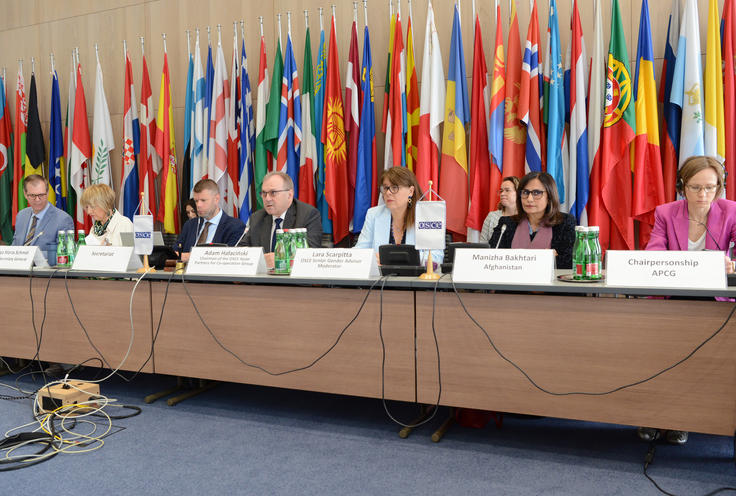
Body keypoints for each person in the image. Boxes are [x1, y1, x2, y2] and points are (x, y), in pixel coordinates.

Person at [639, 155, 736, 446]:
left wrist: (730, 263)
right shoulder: (666, 212)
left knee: (698, 361)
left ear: (719, 187)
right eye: (695, 187)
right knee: (659, 356)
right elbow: (654, 254)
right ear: (682, 187)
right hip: (672, 295)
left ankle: (684, 420)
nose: (703, 194)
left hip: (715, 300)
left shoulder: (731, 211)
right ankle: (655, 416)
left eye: (710, 187)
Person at [488, 171, 576, 269]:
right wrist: (544, 258)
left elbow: (571, 262)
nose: (529, 199)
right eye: (525, 192)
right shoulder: (506, 224)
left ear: (549, 197)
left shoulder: (564, 222)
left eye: (536, 193)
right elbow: (492, 258)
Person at [355, 167, 443, 263]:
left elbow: (436, 258)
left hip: (415, 273)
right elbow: (359, 252)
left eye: (394, 188)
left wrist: (394, 258)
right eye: (385, 188)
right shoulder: (373, 214)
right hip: (380, 273)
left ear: (411, 191)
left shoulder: (427, 216)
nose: (388, 193)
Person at [237, 171, 322, 268]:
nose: (267, 199)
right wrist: (262, 260)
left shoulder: (307, 215)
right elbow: (242, 252)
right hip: (263, 276)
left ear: (289, 195)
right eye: (264, 193)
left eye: (273, 193)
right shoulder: (257, 218)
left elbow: (310, 254)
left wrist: (278, 258)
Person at [175, 179, 246, 262]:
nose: (198, 205)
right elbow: (175, 253)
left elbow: (228, 258)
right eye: (196, 201)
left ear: (216, 199)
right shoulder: (190, 225)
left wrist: (190, 256)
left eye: (203, 200)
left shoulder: (235, 226)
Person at [12, 174, 74, 264]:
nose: (37, 199)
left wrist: (30, 255)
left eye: (41, 195)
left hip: (44, 271)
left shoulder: (63, 219)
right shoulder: (21, 215)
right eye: (32, 195)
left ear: (47, 193)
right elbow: (15, 245)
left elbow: (65, 253)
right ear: (25, 194)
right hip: (17, 269)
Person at [480, 176, 519, 244]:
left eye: (507, 190)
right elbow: (483, 244)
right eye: (501, 191)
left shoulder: (525, 218)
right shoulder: (492, 216)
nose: (502, 194)